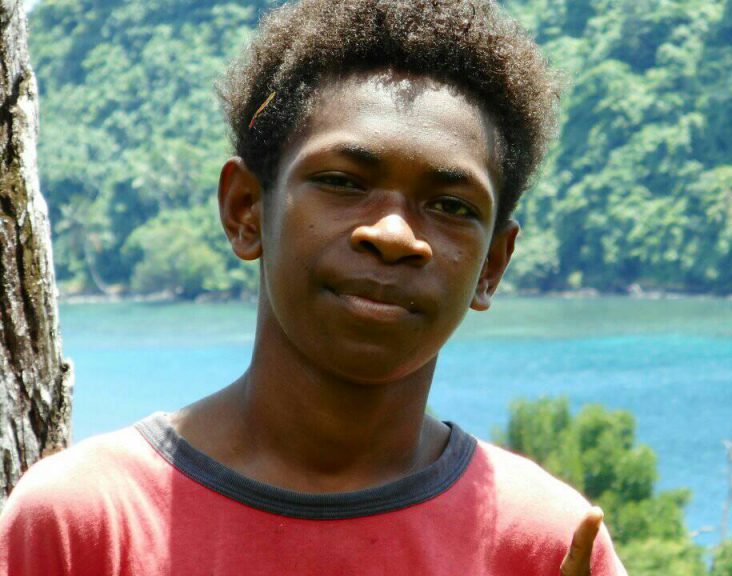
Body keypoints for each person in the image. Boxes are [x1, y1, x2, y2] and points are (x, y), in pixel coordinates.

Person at [0, 0, 627, 574]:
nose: (393, 234)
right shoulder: (86, 524)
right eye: (343, 182)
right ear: (247, 210)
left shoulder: (542, 543)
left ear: (492, 264)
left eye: (452, 206)